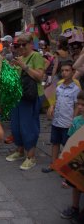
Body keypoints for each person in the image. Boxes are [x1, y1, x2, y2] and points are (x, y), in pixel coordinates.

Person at [6, 33, 45, 170]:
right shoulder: (19, 58)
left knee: (29, 126)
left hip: (31, 97)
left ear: (31, 44)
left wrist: (25, 67)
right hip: (18, 97)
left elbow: (40, 77)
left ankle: (31, 156)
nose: (21, 47)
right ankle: (20, 150)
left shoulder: (36, 56)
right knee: (16, 126)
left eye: (24, 44)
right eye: (18, 45)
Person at [42, 61, 81, 173]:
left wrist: (73, 122)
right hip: (57, 121)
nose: (64, 73)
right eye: (63, 70)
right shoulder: (59, 86)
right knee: (55, 142)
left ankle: (66, 166)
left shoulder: (75, 89)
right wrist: (52, 107)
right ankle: (53, 164)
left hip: (68, 122)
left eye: (67, 70)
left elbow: (76, 107)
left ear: (72, 72)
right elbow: (56, 100)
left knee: (67, 145)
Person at [59, 90, 84, 222]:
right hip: (77, 159)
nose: (80, 107)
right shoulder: (76, 121)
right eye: (78, 104)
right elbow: (69, 141)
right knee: (75, 185)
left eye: (83, 104)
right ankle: (75, 207)